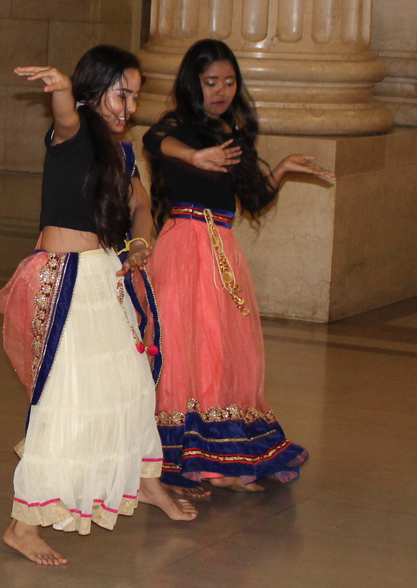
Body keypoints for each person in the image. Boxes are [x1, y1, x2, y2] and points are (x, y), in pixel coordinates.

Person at [0, 45, 197, 567]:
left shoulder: (122, 151)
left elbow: (139, 206)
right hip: (65, 280)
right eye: (119, 93)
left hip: (104, 276)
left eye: (134, 95)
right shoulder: (75, 133)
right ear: (93, 90)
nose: (127, 106)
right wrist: (63, 88)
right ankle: (23, 525)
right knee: (69, 399)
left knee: (131, 385)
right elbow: (65, 116)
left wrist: (140, 243)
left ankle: (144, 479)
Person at [143, 39, 334, 497]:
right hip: (186, 245)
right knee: (187, 349)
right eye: (211, 82)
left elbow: (253, 199)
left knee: (225, 351)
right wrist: (194, 156)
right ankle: (183, 462)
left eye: (229, 82)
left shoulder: (233, 131)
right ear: (194, 83)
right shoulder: (177, 129)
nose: (221, 91)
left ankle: (221, 457)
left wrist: (283, 169)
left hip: (222, 250)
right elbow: (152, 140)